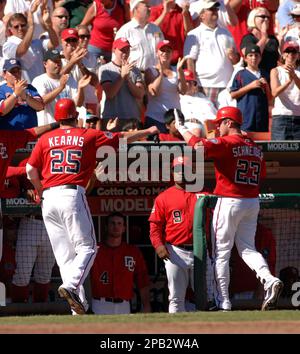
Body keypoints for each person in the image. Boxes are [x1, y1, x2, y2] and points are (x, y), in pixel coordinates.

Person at [26, 97, 159, 315]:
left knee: (66, 257)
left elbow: (30, 170)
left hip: (48, 198)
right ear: (76, 117)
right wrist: (149, 130)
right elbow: (123, 138)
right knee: (88, 248)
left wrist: (41, 192)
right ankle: (70, 287)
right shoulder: (85, 134)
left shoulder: (46, 138)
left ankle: (77, 310)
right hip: (71, 193)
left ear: (57, 118)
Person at [175, 105, 283, 311]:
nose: (217, 127)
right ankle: (269, 280)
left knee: (221, 254)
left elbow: (198, 145)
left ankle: (223, 301)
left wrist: (182, 129)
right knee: (248, 249)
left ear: (229, 123)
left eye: (219, 123)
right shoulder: (256, 148)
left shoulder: (227, 142)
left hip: (228, 200)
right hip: (252, 202)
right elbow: (262, 177)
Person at [149, 156, 205, 313]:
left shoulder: (202, 194)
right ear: (172, 172)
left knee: (206, 296)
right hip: (174, 251)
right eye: (177, 169)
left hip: (199, 251)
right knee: (175, 297)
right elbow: (154, 226)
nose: (181, 173)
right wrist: (158, 245)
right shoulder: (163, 197)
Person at [90, 212, 151, 314]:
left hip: (124, 304)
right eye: (112, 223)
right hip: (100, 303)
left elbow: (142, 280)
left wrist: (146, 305)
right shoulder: (94, 250)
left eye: (119, 224)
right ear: (106, 227)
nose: (116, 226)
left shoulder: (133, 252)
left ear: (124, 228)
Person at [230, 44, 271, 132]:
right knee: (246, 142)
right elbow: (233, 94)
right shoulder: (240, 74)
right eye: (250, 55)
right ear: (245, 58)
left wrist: (266, 86)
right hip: (246, 117)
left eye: (256, 55)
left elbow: (271, 99)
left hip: (262, 117)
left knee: (260, 144)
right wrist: (250, 86)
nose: (254, 58)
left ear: (260, 57)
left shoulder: (266, 74)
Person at [0, 58, 44, 130]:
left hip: (30, 134)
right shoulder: (1, 90)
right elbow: (2, 111)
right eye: (13, 72)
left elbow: (40, 106)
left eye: (18, 71)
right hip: (8, 135)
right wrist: (15, 94)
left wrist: (26, 97)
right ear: (4, 74)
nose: (16, 74)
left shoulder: (29, 88)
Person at [270, 41, 300, 140]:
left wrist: (294, 76)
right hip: (280, 118)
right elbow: (274, 92)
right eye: (288, 51)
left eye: (294, 52)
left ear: (298, 55)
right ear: (283, 55)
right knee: (278, 154)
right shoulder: (275, 71)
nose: (290, 54)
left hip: (298, 117)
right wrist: (288, 81)